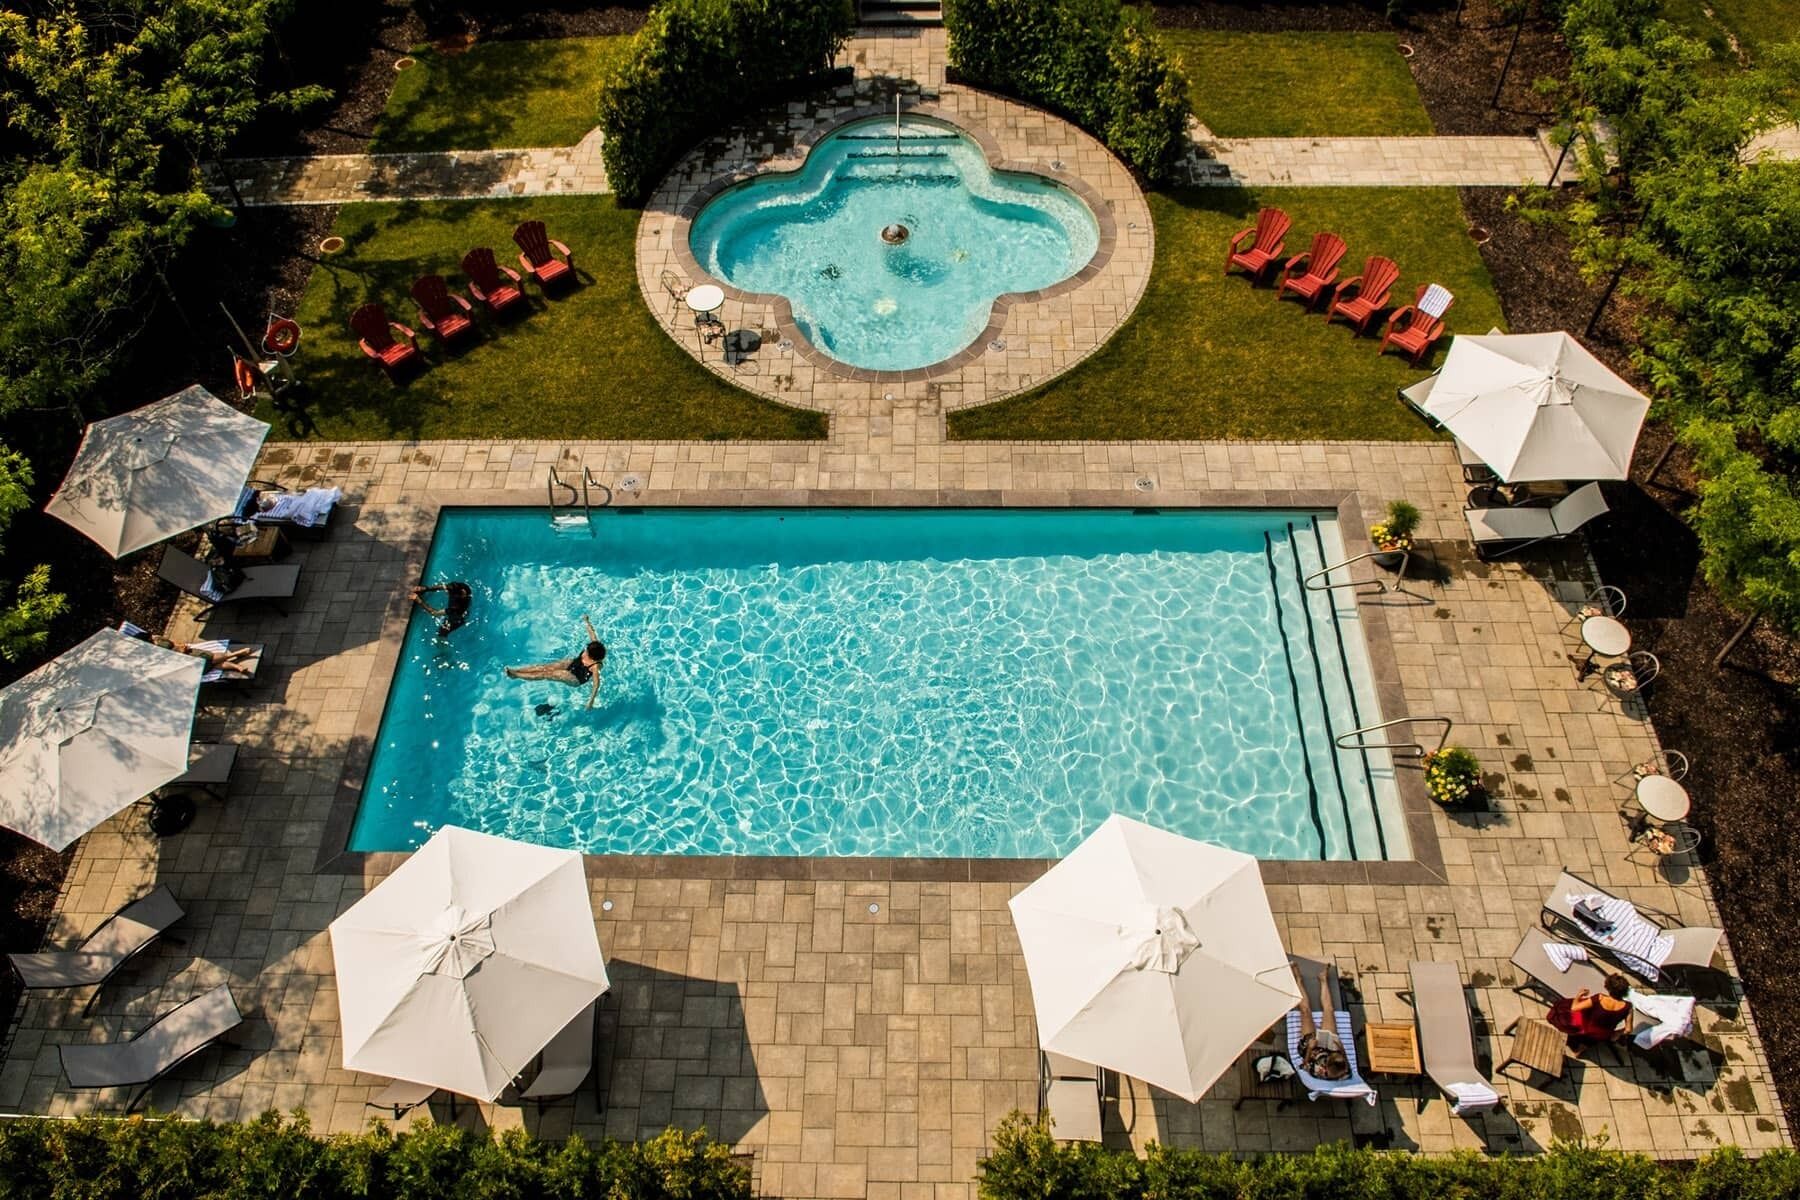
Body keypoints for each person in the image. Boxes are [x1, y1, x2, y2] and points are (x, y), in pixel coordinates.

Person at [505, 614, 605, 709]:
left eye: (587, 652)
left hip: (577, 678)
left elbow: (596, 684)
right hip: (574, 663)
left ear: (593, 657)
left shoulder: (595, 666)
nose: (585, 650)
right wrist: (587, 621)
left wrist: (591, 701)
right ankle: (516, 670)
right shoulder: (594, 645)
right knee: (543, 667)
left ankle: (516, 675)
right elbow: (592, 633)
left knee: (547, 674)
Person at [1291, 962, 1351, 1081]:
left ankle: (1298, 980)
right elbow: (1345, 1059)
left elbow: (1304, 1065)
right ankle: (1323, 980)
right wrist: (1341, 1048)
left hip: (1311, 1048)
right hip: (1326, 1045)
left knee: (1305, 1011)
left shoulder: (1318, 1071)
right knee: (1329, 1010)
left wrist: (1310, 1049)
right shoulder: (1345, 1070)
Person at [132, 630, 259, 678]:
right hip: (183, 661)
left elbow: (174, 643)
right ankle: (238, 653)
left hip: (187, 655)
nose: (152, 637)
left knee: (213, 664)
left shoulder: (157, 638)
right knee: (210, 658)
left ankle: (238, 667)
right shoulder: (154, 652)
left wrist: (181, 646)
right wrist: (181, 652)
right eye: (149, 638)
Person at [1547, 973, 1633, 1041]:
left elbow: (1574, 1008)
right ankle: (1583, 1047)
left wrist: (1579, 995)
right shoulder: (1628, 1007)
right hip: (1604, 1034)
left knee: (1564, 1005)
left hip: (1587, 1028)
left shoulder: (1600, 998)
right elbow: (1628, 1029)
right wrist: (1616, 1033)